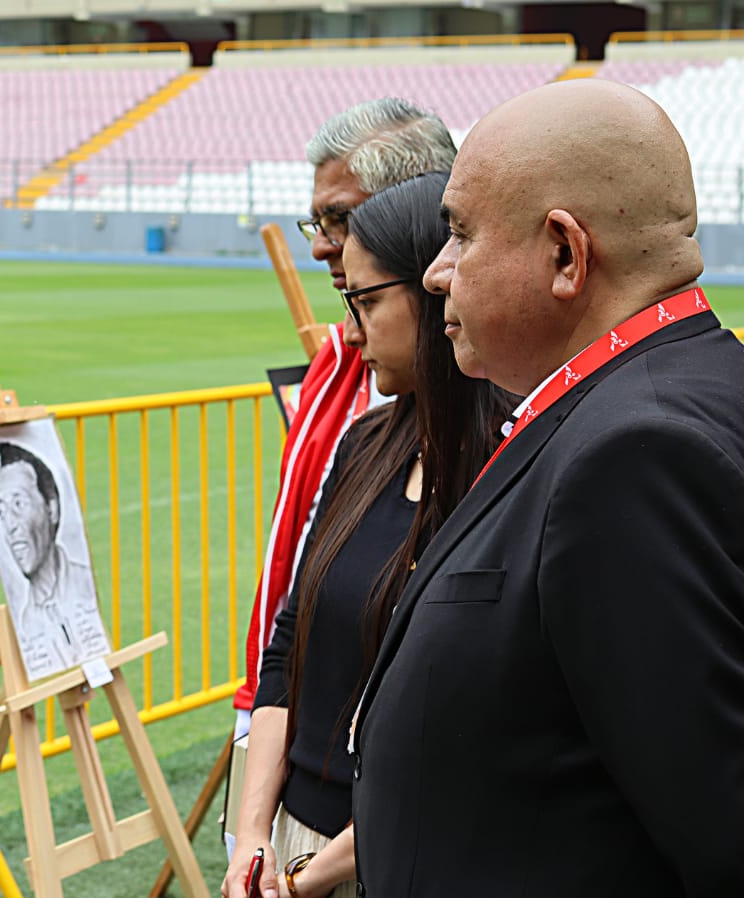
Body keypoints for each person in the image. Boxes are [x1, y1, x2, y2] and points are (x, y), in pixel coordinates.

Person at [353, 79, 744, 895]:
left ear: (565, 254)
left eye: (458, 234)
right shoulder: (673, 389)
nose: (436, 272)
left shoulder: (636, 453)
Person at [222, 173, 510, 898]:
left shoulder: (511, 470)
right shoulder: (365, 443)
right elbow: (289, 644)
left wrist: (315, 875)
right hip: (291, 846)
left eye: (367, 302)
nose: (349, 332)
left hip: (403, 860)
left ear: (437, 288)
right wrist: (253, 839)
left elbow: (471, 727)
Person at [236, 98, 457, 744]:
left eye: (341, 218)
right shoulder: (335, 361)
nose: (321, 246)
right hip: (287, 724)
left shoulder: (480, 392)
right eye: (317, 220)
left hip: (387, 762)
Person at [0, 441, 107, 674]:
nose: (10, 525)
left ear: (51, 509)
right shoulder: (26, 623)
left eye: (19, 504)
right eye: (1, 511)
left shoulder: (83, 584)